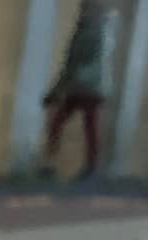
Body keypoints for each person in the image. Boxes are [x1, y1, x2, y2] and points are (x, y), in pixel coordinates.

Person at [37, 2, 119, 180]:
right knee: (84, 126)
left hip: (85, 86)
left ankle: (59, 163)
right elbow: (73, 63)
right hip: (87, 86)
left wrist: (59, 89)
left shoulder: (93, 30)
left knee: (74, 124)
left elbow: (76, 62)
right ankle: (84, 166)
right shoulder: (96, 29)